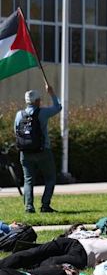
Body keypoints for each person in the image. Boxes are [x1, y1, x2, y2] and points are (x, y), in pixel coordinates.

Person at [14, 84, 62, 213]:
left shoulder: (19, 115)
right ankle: (45, 205)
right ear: (37, 101)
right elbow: (58, 107)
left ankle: (29, 207)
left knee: (28, 180)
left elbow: (16, 132)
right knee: (50, 178)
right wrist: (51, 93)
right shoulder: (43, 112)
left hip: (25, 152)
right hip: (43, 151)